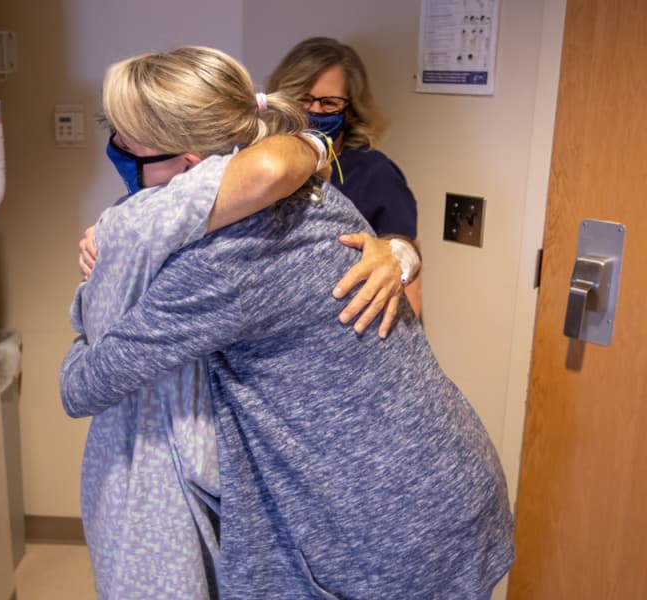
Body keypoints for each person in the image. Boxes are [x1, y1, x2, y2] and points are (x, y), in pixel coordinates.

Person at [62, 45, 514, 599]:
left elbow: (82, 386)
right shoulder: (315, 192)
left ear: (189, 167)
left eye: (127, 140)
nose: (117, 150)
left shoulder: (223, 263)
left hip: (390, 520)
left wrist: (94, 301)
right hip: (448, 472)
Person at [267, 36, 424, 317]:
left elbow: (405, 267)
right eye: (303, 99)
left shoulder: (374, 174)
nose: (314, 111)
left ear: (350, 110)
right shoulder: (265, 168)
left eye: (329, 103)